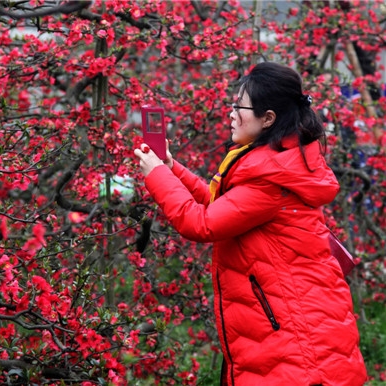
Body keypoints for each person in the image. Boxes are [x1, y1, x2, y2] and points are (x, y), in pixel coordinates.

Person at [134, 62, 367, 386]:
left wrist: (155, 175)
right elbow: (226, 208)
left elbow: (202, 224)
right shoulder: (278, 162)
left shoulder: (269, 180)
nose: (230, 114)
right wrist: (173, 169)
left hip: (296, 348)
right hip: (296, 331)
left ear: (267, 118)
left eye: (238, 107)